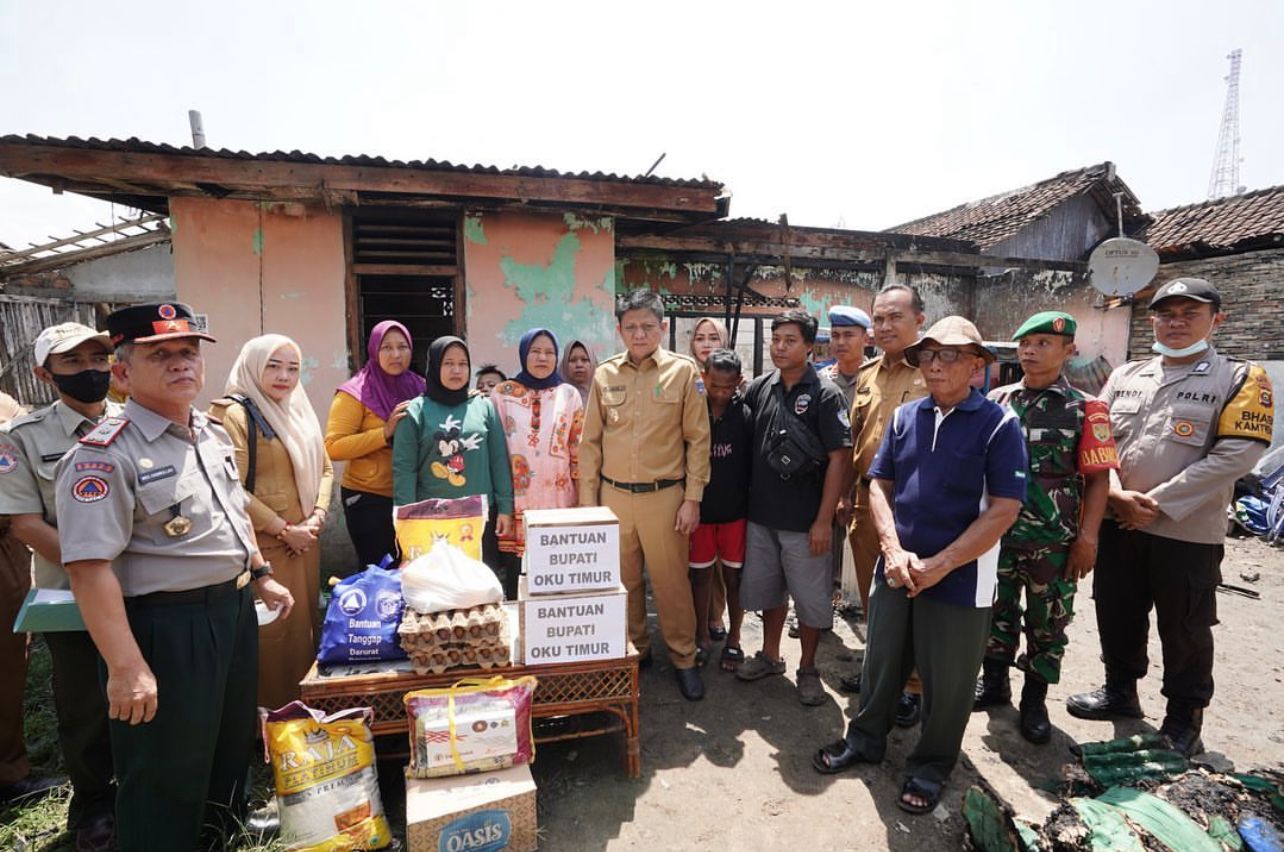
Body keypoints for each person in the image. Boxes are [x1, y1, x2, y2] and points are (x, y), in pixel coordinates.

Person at [55, 303, 294, 851]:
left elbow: (230, 513)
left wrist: (260, 573)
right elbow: (89, 571)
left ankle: (221, 828)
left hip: (229, 612)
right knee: (166, 758)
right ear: (121, 372)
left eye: (188, 352)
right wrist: (126, 666)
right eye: (159, 354)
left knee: (225, 737)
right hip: (164, 625)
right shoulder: (103, 456)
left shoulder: (206, 431)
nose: (180, 363)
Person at [813, 316, 1026, 817]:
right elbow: (878, 485)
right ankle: (865, 740)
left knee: (947, 682)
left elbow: (1004, 509)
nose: (934, 364)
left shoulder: (999, 424)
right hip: (898, 569)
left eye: (948, 355)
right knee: (881, 662)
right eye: (928, 355)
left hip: (962, 578)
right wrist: (891, 548)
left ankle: (931, 765)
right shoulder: (907, 416)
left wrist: (942, 563)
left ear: (977, 365)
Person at [1066, 278, 1274, 756]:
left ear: (1216, 320)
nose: (1175, 322)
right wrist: (1116, 495)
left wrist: (1155, 503)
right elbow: (1099, 446)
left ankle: (1184, 717)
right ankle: (1120, 690)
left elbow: (1237, 455)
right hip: (1119, 522)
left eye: (1189, 313)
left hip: (1186, 532)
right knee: (1115, 611)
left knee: (1184, 627)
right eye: (1166, 313)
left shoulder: (1242, 378)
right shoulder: (1125, 376)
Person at [1, 324, 122, 850]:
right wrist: (93, 570)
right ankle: (94, 805)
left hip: (145, 592)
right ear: (43, 373)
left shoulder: (138, 421)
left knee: (149, 696)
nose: (90, 369)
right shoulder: (23, 437)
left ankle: (147, 790)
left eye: (98, 357)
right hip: (72, 599)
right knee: (85, 705)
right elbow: (25, 523)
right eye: (72, 363)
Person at [973, 312, 1118, 744]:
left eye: (1043, 344)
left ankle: (1033, 701)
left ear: (1069, 351)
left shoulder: (1087, 409)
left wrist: (1088, 538)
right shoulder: (997, 401)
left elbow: (1098, 479)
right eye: (1025, 344)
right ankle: (994, 682)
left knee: (1048, 623)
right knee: (995, 613)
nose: (1031, 352)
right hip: (996, 537)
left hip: (1053, 542)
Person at [579, 290, 711, 701]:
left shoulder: (683, 373)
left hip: (665, 497)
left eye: (647, 326)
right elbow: (590, 444)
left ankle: (684, 658)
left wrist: (692, 498)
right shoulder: (605, 375)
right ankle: (637, 652)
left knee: (672, 584)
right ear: (619, 330)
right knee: (624, 582)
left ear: (663, 328)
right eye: (631, 327)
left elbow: (698, 440)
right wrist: (588, 505)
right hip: (613, 496)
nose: (639, 334)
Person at [734, 310, 853, 706]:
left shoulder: (825, 393)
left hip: (806, 522)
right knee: (768, 593)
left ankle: (808, 668)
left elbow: (839, 458)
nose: (780, 347)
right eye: (776, 339)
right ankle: (770, 656)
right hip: (762, 516)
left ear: (808, 346)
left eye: (790, 340)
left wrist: (823, 520)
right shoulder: (761, 388)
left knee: (811, 600)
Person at [210, 334, 334, 711]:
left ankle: (305, 710)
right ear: (252, 366)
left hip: (304, 542)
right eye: (274, 366)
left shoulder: (298, 410)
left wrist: (317, 517)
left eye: (293, 368)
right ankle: (268, 721)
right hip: (265, 546)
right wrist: (283, 528)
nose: (284, 376)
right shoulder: (232, 414)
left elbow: (326, 468)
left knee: (303, 629)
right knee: (272, 635)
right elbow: (229, 487)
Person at [837, 284, 929, 727]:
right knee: (876, 599)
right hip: (865, 503)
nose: (886, 326)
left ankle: (910, 687)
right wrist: (845, 496)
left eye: (895, 317)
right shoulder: (868, 375)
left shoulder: (934, 372)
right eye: (879, 318)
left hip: (914, 507)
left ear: (919, 322)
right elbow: (856, 440)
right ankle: (879, 673)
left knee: (909, 595)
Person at [393, 337, 514, 578]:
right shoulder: (416, 411)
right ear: (435, 367)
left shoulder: (483, 406)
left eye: (463, 363)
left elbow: (498, 460)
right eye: (448, 363)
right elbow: (404, 470)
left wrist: (505, 507)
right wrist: (406, 521)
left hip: (479, 519)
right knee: (439, 588)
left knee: (479, 588)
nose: (456, 370)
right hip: (432, 521)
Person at [489, 329, 584, 599]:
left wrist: (582, 500)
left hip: (560, 502)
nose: (543, 357)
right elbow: (496, 454)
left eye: (550, 352)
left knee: (558, 577)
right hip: (517, 504)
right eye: (536, 351)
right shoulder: (502, 394)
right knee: (517, 580)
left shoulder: (569, 395)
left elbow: (577, 451)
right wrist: (502, 505)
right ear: (523, 354)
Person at [326, 321, 425, 569]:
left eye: (402, 347)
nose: (396, 354)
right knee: (378, 572)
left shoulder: (420, 387)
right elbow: (333, 447)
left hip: (410, 495)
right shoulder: (354, 392)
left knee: (412, 569)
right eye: (387, 347)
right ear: (374, 350)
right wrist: (384, 432)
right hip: (368, 498)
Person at [689, 348, 753, 672]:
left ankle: (735, 639)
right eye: (715, 385)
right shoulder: (693, 411)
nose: (721, 392)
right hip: (699, 513)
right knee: (699, 577)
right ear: (704, 378)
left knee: (734, 578)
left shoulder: (745, 415)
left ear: (739, 383)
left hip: (735, 515)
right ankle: (701, 635)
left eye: (728, 387)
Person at [819, 305, 873, 614]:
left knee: (863, 550)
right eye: (836, 335)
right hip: (827, 480)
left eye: (849, 335)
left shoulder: (876, 377)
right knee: (821, 549)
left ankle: (864, 609)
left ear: (865, 338)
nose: (840, 342)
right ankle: (819, 608)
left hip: (864, 482)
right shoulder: (822, 380)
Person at [688, 316, 733, 642]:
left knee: (719, 566)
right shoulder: (684, 380)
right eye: (700, 337)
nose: (706, 343)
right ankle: (694, 620)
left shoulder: (733, 387)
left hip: (724, 490)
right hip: (689, 485)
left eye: (713, 338)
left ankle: (716, 615)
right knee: (694, 563)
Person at [560, 339, 598, 404]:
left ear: (593, 364)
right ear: (565, 365)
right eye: (572, 360)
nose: (579, 365)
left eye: (585, 360)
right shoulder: (555, 399)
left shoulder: (604, 398)